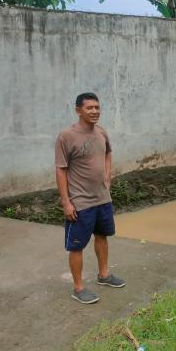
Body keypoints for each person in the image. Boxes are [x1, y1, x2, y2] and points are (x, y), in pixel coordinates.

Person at [55, 92, 125, 304]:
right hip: (80, 202)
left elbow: (108, 153)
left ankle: (104, 275)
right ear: (78, 110)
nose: (95, 111)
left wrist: (108, 176)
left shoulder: (101, 132)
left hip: (102, 199)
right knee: (76, 246)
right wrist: (66, 202)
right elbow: (60, 170)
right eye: (89, 108)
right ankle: (78, 288)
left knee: (102, 237)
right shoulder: (66, 137)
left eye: (97, 107)